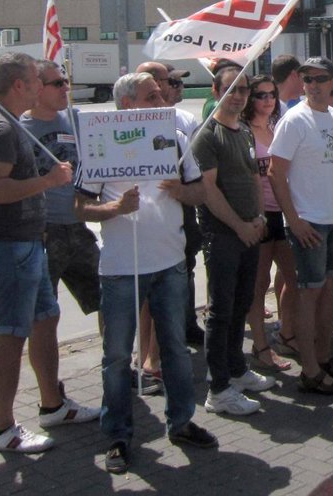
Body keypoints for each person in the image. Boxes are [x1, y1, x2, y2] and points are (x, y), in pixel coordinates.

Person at [76, 73, 218, 473]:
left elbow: (200, 192)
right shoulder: (102, 143)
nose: (162, 100)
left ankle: (181, 422)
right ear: (127, 104)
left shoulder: (174, 139)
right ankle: (118, 436)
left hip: (170, 263)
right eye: (151, 96)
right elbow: (80, 206)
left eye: (161, 94)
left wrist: (180, 191)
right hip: (122, 269)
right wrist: (114, 209)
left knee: (175, 348)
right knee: (118, 356)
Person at [0, 52, 98, 455]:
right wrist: (48, 180)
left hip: (26, 243)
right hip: (7, 246)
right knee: (10, 336)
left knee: (45, 318)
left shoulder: (6, 121)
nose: (43, 87)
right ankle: (2, 428)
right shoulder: (0, 126)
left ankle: (52, 405)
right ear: (20, 85)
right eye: (37, 81)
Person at [193, 63, 277, 417]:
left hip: (249, 231)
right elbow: (208, 190)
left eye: (244, 89)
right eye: (231, 89)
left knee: (242, 303)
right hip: (223, 235)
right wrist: (239, 226)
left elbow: (255, 178)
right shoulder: (208, 136)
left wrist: (258, 218)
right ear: (216, 92)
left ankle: (237, 370)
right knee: (221, 311)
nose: (239, 96)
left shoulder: (243, 131)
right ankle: (218, 388)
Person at [268, 57, 333, 395]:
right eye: (307, 79)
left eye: (320, 78)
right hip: (310, 222)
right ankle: (310, 370)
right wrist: (294, 220)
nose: (313, 85)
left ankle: (325, 356)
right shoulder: (294, 120)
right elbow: (275, 172)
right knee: (309, 294)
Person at [20, 60, 101, 325]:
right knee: (43, 314)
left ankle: (111, 351)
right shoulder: (20, 128)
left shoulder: (76, 119)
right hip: (44, 232)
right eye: (58, 83)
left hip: (78, 225)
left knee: (107, 297)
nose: (66, 88)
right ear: (37, 88)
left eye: (66, 81)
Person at [139, 62, 206, 350]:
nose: (178, 88)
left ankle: (185, 326)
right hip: (142, 219)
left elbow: (197, 175)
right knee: (146, 288)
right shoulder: (124, 123)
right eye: (172, 82)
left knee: (183, 271)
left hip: (181, 212)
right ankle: (149, 350)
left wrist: (184, 190)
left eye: (178, 83)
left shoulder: (184, 121)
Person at [242, 74, 299, 371]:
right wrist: (256, 214)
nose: (267, 100)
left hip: (284, 211)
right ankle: (261, 346)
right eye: (260, 95)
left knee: (293, 277)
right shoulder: (244, 132)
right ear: (249, 99)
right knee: (259, 283)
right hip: (260, 214)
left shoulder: (278, 126)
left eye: (271, 94)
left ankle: (287, 333)